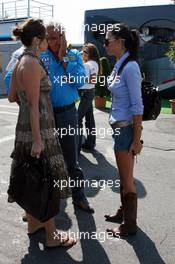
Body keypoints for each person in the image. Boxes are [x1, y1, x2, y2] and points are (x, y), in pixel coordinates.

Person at [8, 18, 76, 248]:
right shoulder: (31, 63)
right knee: (47, 180)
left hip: (28, 126)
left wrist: (28, 109)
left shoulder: (21, 61)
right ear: (37, 40)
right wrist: (38, 138)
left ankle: (33, 224)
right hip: (40, 130)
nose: (48, 41)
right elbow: (35, 106)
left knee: (33, 176)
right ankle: (51, 236)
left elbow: (12, 97)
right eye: (45, 38)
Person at [40, 22, 94, 213]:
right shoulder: (40, 56)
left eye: (56, 38)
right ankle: (39, 205)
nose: (53, 42)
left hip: (67, 114)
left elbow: (80, 81)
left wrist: (64, 59)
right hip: (45, 115)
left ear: (63, 37)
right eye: (49, 38)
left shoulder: (74, 55)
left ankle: (79, 197)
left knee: (72, 160)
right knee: (44, 161)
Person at [104, 23, 144, 236]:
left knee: (127, 180)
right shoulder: (120, 64)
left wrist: (136, 140)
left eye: (107, 41)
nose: (105, 44)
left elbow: (137, 107)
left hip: (127, 130)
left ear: (120, 42)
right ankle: (124, 212)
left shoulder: (130, 67)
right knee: (124, 176)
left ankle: (130, 225)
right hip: (120, 129)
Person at [78, 43, 100, 153]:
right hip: (89, 92)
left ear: (90, 53)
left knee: (77, 119)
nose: (82, 54)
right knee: (89, 119)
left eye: (85, 52)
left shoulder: (88, 64)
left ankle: (77, 146)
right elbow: (92, 80)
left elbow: (91, 80)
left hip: (86, 93)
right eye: (82, 52)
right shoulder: (94, 63)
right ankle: (90, 143)